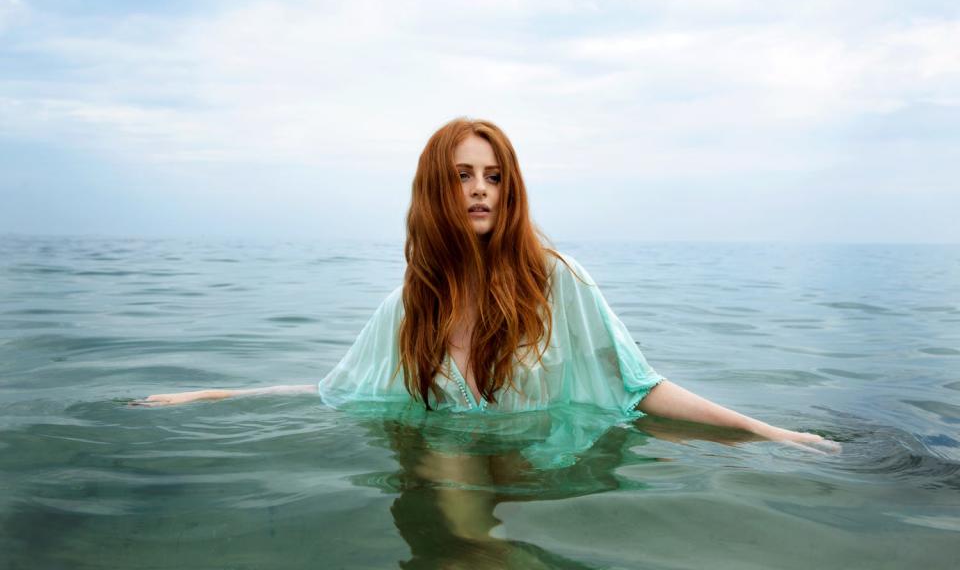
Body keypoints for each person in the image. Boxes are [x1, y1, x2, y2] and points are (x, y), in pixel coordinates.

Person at [136, 118, 835, 452]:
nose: (480, 190)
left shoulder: (556, 281)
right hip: (456, 465)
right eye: (464, 175)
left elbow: (635, 384)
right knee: (445, 472)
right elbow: (341, 389)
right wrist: (213, 393)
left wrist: (764, 430)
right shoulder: (410, 308)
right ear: (437, 189)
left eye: (494, 176)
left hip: (542, 467)